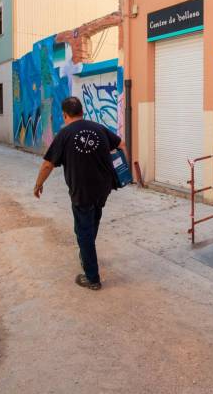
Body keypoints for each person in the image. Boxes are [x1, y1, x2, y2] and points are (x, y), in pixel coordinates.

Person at [33, 96, 126, 290]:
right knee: (91, 224)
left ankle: (92, 278)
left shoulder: (65, 134)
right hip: (102, 189)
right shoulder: (98, 128)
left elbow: (48, 164)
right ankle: (87, 254)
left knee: (83, 231)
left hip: (81, 191)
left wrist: (38, 184)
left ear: (65, 115)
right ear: (82, 112)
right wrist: (123, 170)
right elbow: (121, 144)